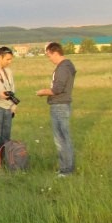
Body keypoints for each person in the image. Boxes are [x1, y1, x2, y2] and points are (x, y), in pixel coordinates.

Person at [35, 42, 76, 176]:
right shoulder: (67, 66)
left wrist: (43, 92)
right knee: (64, 138)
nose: (49, 58)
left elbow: (57, 89)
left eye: (49, 55)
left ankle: (66, 170)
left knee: (61, 139)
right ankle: (66, 167)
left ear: (55, 53)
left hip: (59, 106)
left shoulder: (62, 68)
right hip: (62, 105)